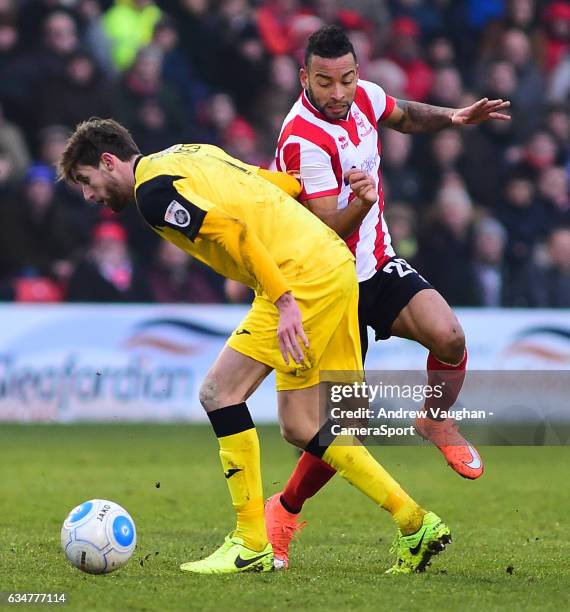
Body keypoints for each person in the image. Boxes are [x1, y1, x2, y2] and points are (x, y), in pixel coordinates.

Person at [58, 117, 452, 575]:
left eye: (87, 182)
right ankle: (415, 523)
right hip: (333, 264)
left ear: (109, 161)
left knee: (219, 393)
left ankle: (250, 542)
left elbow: (234, 232)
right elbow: (273, 181)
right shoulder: (188, 150)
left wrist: (284, 300)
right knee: (303, 425)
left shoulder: (153, 196)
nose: (89, 196)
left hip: (298, 279)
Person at [267, 25, 510, 568]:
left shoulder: (363, 97)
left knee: (449, 336)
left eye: (347, 79)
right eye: (325, 82)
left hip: (375, 266)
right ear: (304, 77)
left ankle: (435, 419)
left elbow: (399, 112)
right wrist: (363, 201)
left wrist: (452, 116)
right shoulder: (302, 137)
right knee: (343, 429)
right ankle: (282, 511)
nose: (339, 93)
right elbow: (329, 228)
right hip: (329, 286)